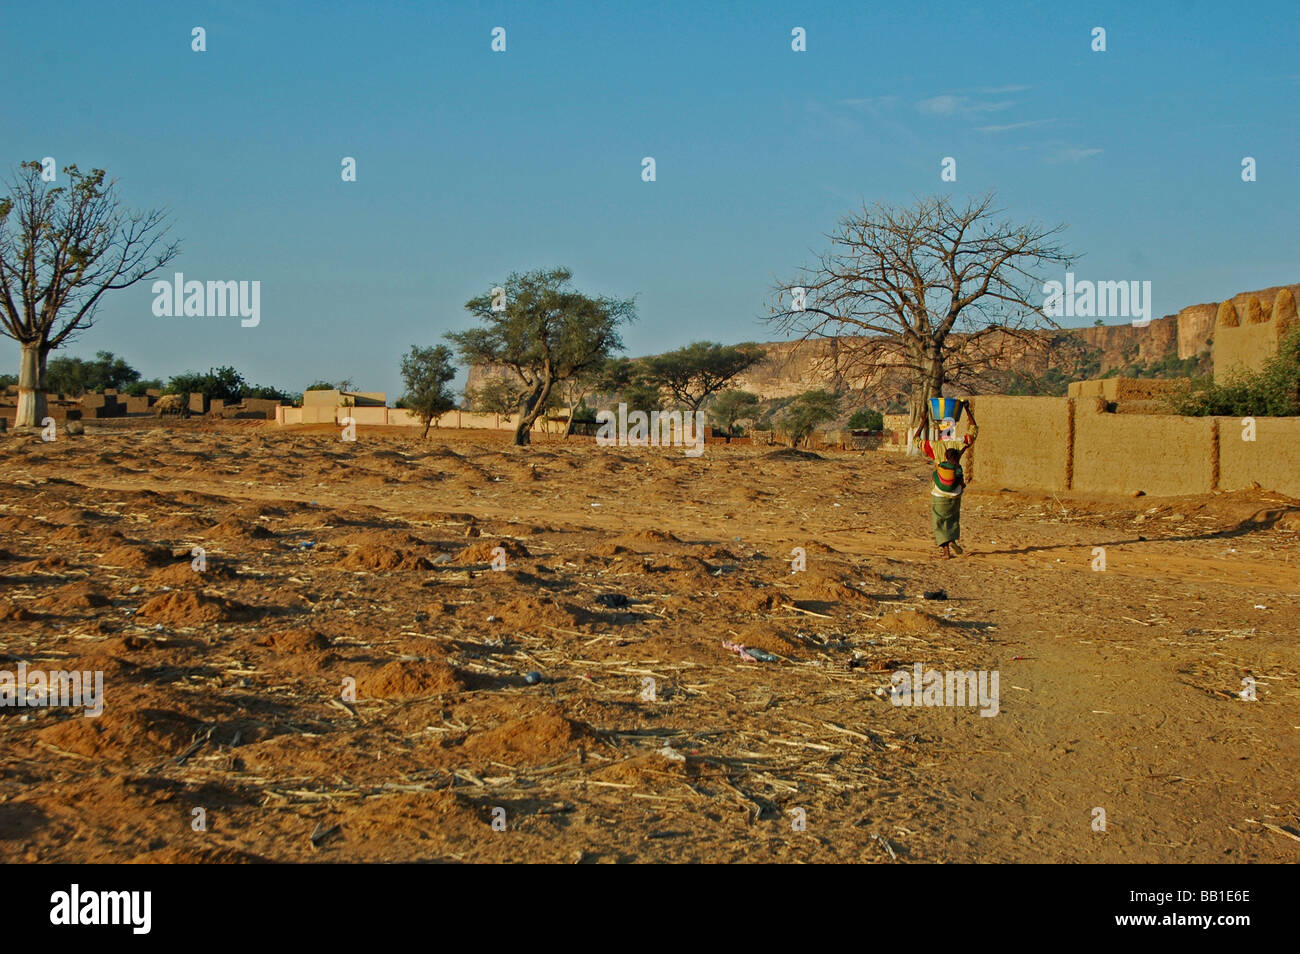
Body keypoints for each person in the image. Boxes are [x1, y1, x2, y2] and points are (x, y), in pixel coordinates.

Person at [913, 401, 978, 559]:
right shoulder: (959, 444)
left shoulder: (934, 446)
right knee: (953, 518)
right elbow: (974, 430)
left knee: (939, 520)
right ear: (953, 429)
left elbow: (916, 440)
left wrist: (923, 421)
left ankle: (946, 551)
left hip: (940, 491)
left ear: (941, 430)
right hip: (956, 491)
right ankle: (952, 539)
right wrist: (967, 410)